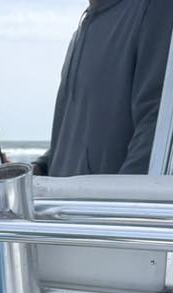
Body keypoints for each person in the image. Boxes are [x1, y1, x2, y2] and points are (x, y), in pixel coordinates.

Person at [33, 0, 173, 176]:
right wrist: (40, 168)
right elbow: (72, 140)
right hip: (65, 194)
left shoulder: (155, 7)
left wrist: (118, 194)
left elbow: (154, 131)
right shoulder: (80, 32)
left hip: (105, 195)